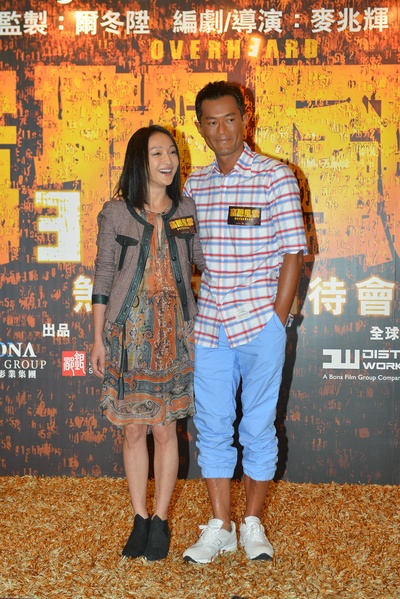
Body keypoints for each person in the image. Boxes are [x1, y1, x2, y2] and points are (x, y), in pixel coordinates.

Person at [182, 81, 308, 564]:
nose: (222, 130)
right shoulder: (194, 185)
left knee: (258, 425)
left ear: (245, 119)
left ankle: (252, 522)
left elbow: (293, 252)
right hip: (210, 326)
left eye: (230, 119)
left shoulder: (275, 177)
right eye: (211, 122)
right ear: (200, 128)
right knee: (212, 425)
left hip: (260, 324)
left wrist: (277, 320)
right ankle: (221, 526)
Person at [90, 125, 206, 561]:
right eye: (157, 153)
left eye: (171, 152)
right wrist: (97, 337)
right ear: (140, 161)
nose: (167, 160)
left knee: (166, 428)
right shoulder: (116, 212)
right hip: (128, 333)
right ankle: (139, 517)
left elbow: (203, 262)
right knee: (134, 430)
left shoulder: (186, 209)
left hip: (175, 332)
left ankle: (161, 519)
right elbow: (104, 273)